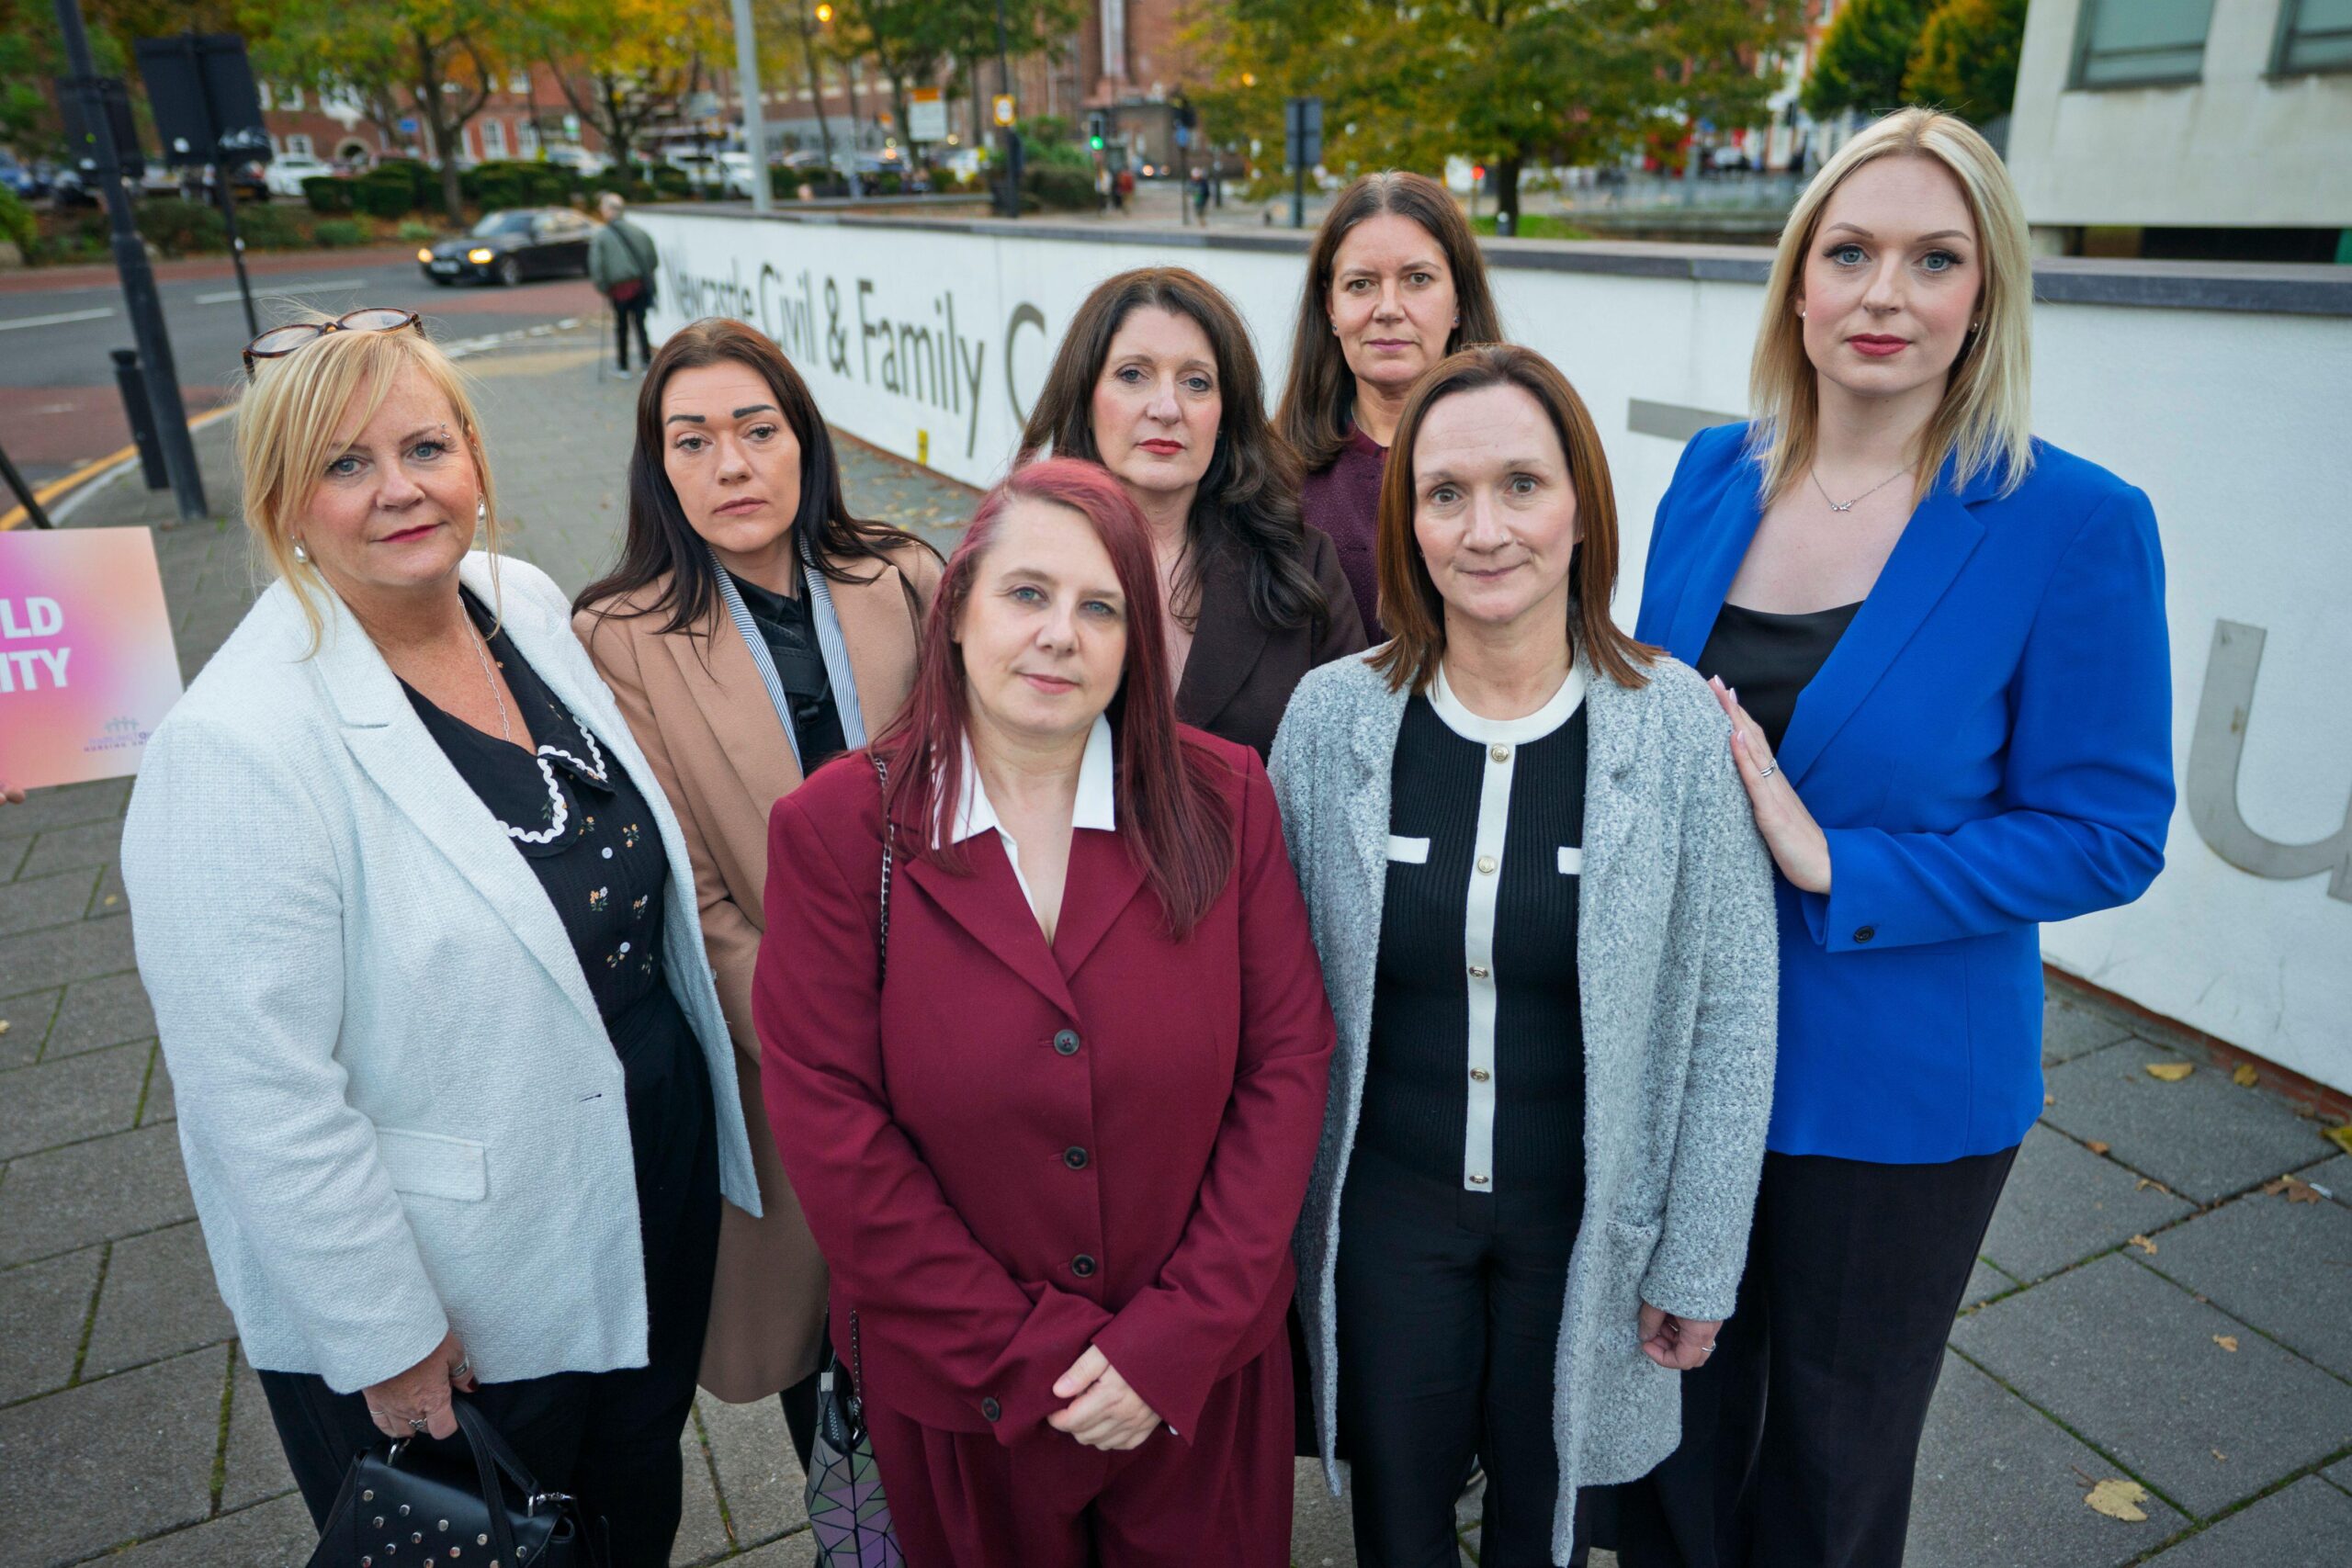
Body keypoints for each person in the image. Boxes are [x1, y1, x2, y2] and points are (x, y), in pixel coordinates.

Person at [1618, 108, 2173, 1568]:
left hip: (1898, 1090)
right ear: (1796, 282)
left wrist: (1837, 860)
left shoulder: (2073, 523)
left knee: (1829, 1455)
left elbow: (2111, 833)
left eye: (1935, 259)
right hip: (1688, 1055)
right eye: (1850, 252)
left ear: (1983, 295)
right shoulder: (1709, 478)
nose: (1884, 294)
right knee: (1665, 1419)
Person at [119, 313, 762, 1566]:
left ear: (474, 455)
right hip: (461, 1283)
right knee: (494, 1539)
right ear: (282, 499)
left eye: (426, 444)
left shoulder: (513, 599)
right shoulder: (235, 745)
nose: (400, 488)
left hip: (635, 1191)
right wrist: (384, 1331)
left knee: (631, 1508)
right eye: (345, 463)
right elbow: (257, 1091)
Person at [754, 457, 1336, 1567]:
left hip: (1197, 1384)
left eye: (1099, 606)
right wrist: (1027, 1360)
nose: (1060, 634)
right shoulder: (837, 830)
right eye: (1028, 593)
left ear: (1134, 645)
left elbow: (1287, 1067)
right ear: (960, 611)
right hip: (964, 1403)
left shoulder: (1228, 802)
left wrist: (1174, 1337)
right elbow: (834, 1131)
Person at [1272, 344, 1778, 1568]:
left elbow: (1734, 1009)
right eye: (1445, 492)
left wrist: (1700, 1254)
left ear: (1582, 506)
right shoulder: (1333, 719)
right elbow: (1270, 996)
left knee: (1547, 1527)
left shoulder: (1673, 734)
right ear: (1406, 522)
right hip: (1388, 1210)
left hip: (1586, 1219)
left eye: (1522, 484)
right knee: (1396, 1519)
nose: (1484, 527)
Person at [572, 317, 941, 1460]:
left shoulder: (908, 576)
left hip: (958, 1029)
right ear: (659, 468)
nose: (729, 466)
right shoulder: (619, 636)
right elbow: (686, 888)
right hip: (785, 1055)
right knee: (833, 1370)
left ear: (803, 441)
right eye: (691, 442)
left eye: (754, 431)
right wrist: (827, 1037)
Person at [1018, 266, 1365, 757]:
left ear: (1225, 415)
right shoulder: (1020, 566)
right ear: (1085, 396)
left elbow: (1352, 772)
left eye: (1196, 382)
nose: (1166, 407)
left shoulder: (1301, 566)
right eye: (1132, 375)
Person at [1276, 171, 1504, 637]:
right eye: (1361, 284)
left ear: (1458, 299)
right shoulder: (1270, 477)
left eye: (1417, 279)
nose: (1388, 308)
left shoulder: (1524, 465)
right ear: (1330, 308)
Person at [592, 191, 660, 376]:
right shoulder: (639, 231)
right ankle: (646, 362)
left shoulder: (602, 236)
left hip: (618, 288)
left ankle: (623, 366)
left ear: (608, 210)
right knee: (641, 324)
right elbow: (653, 260)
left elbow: (596, 266)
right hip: (639, 285)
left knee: (621, 327)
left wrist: (603, 287)